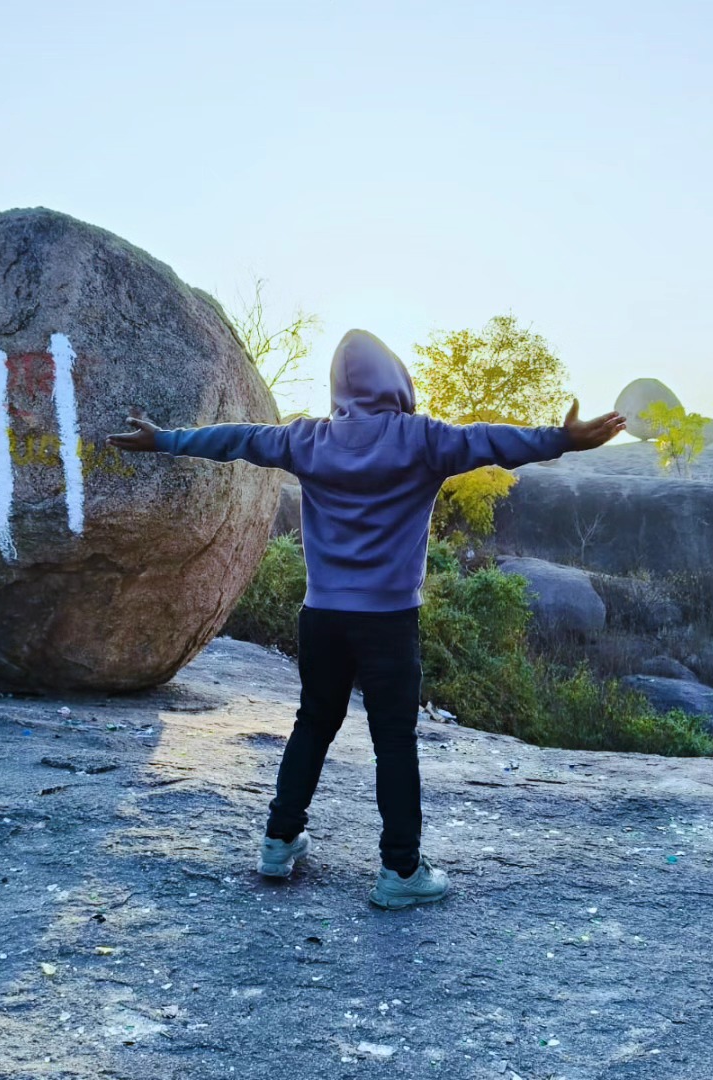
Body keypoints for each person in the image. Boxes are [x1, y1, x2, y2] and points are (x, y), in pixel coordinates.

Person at [108, 329, 625, 908]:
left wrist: (165, 440)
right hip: (388, 621)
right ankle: (400, 872)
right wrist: (561, 439)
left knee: (313, 725)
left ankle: (278, 843)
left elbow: (240, 440)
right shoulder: (422, 440)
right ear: (396, 380)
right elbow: (492, 442)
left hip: (322, 615)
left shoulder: (309, 439)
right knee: (394, 743)